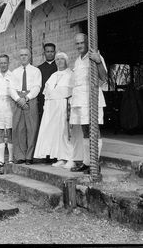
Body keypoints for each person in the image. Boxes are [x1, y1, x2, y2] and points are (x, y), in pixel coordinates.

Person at [69, 33, 107, 174]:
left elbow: (104, 77)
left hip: (91, 98)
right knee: (85, 131)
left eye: (82, 43)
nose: (79, 46)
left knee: (94, 130)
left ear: (87, 43)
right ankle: (87, 163)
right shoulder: (78, 60)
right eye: (77, 43)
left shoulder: (95, 56)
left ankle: (95, 164)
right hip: (80, 99)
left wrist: (98, 61)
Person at [34, 52, 74, 168]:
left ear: (66, 61)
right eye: (57, 59)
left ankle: (70, 158)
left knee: (65, 133)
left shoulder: (71, 74)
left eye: (62, 59)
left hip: (64, 106)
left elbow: (72, 93)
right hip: (52, 109)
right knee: (56, 134)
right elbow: (47, 94)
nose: (59, 61)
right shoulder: (53, 75)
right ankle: (61, 158)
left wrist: (70, 108)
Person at [9, 48, 42, 165]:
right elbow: (11, 88)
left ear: (30, 56)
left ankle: (29, 156)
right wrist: (18, 99)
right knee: (19, 128)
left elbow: (37, 87)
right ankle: (20, 155)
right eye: (21, 55)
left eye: (26, 55)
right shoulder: (14, 72)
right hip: (18, 100)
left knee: (31, 127)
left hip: (31, 99)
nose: (23, 57)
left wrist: (27, 98)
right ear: (19, 57)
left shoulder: (36, 71)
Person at [37, 43, 57, 121]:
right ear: (44, 53)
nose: (50, 54)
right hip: (43, 99)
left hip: (56, 98)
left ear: (55, 52)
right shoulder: (39, 68)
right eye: (47, 51)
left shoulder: (59, 66)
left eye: (52, 51)